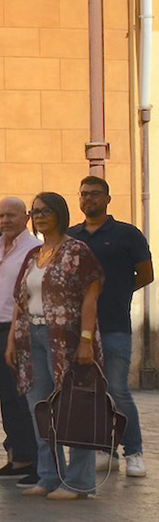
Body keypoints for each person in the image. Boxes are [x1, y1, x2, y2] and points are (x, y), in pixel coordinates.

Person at [13, 193, 105, 500]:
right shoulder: (33, 254)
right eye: (34, 211)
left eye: (45, 211)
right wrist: (13, 338)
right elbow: (21, 299)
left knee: (74, 408)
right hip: (32, 338)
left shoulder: (77, 251)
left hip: (67, 338)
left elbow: (91, 297)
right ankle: (49, 476)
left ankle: (79, 482)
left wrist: (87, 340)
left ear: (60, 214)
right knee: (40, 409)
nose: (39, 216)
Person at [69, 175, 149, 477]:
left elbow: (145, 274)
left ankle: (135, 452)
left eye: (95, 194)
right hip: (79, 329)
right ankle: (106, 449)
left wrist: (118, 293)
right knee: (90, 392)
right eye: (84, 194)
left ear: (107, 199)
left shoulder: (128, 234)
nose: (89, 199)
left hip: (115, 324)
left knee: (117, 390)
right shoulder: (72, 235)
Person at [0, 196, 41, 481]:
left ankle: (36, 462)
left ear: (25, 217)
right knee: (6, 397)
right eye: (1, 216)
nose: (5, 221)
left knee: (26, 397)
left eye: (11, 216)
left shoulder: (35, 250)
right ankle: (17, 457)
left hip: (22, 332)